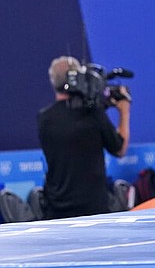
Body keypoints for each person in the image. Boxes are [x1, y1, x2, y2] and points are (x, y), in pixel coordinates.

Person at [37, 56, 131, 219]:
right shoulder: (92, 115)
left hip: (55, 209)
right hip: (92, 210)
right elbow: (119, 149)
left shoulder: (44, 118)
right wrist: (124, 112)